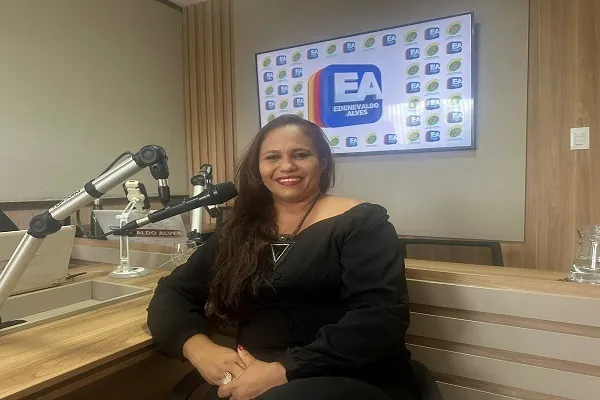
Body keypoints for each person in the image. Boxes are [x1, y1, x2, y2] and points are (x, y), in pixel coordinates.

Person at [147, 114, 419, 400]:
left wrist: (281, 370)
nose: (286, 166)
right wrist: (199, 349)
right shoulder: (241, 230)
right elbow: (174, 292)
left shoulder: (362, 223)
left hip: (346, 375)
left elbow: (379, 319)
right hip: (252, 373)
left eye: (300, 154)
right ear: (258, 168)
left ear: (322, 162)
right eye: (272, 157)